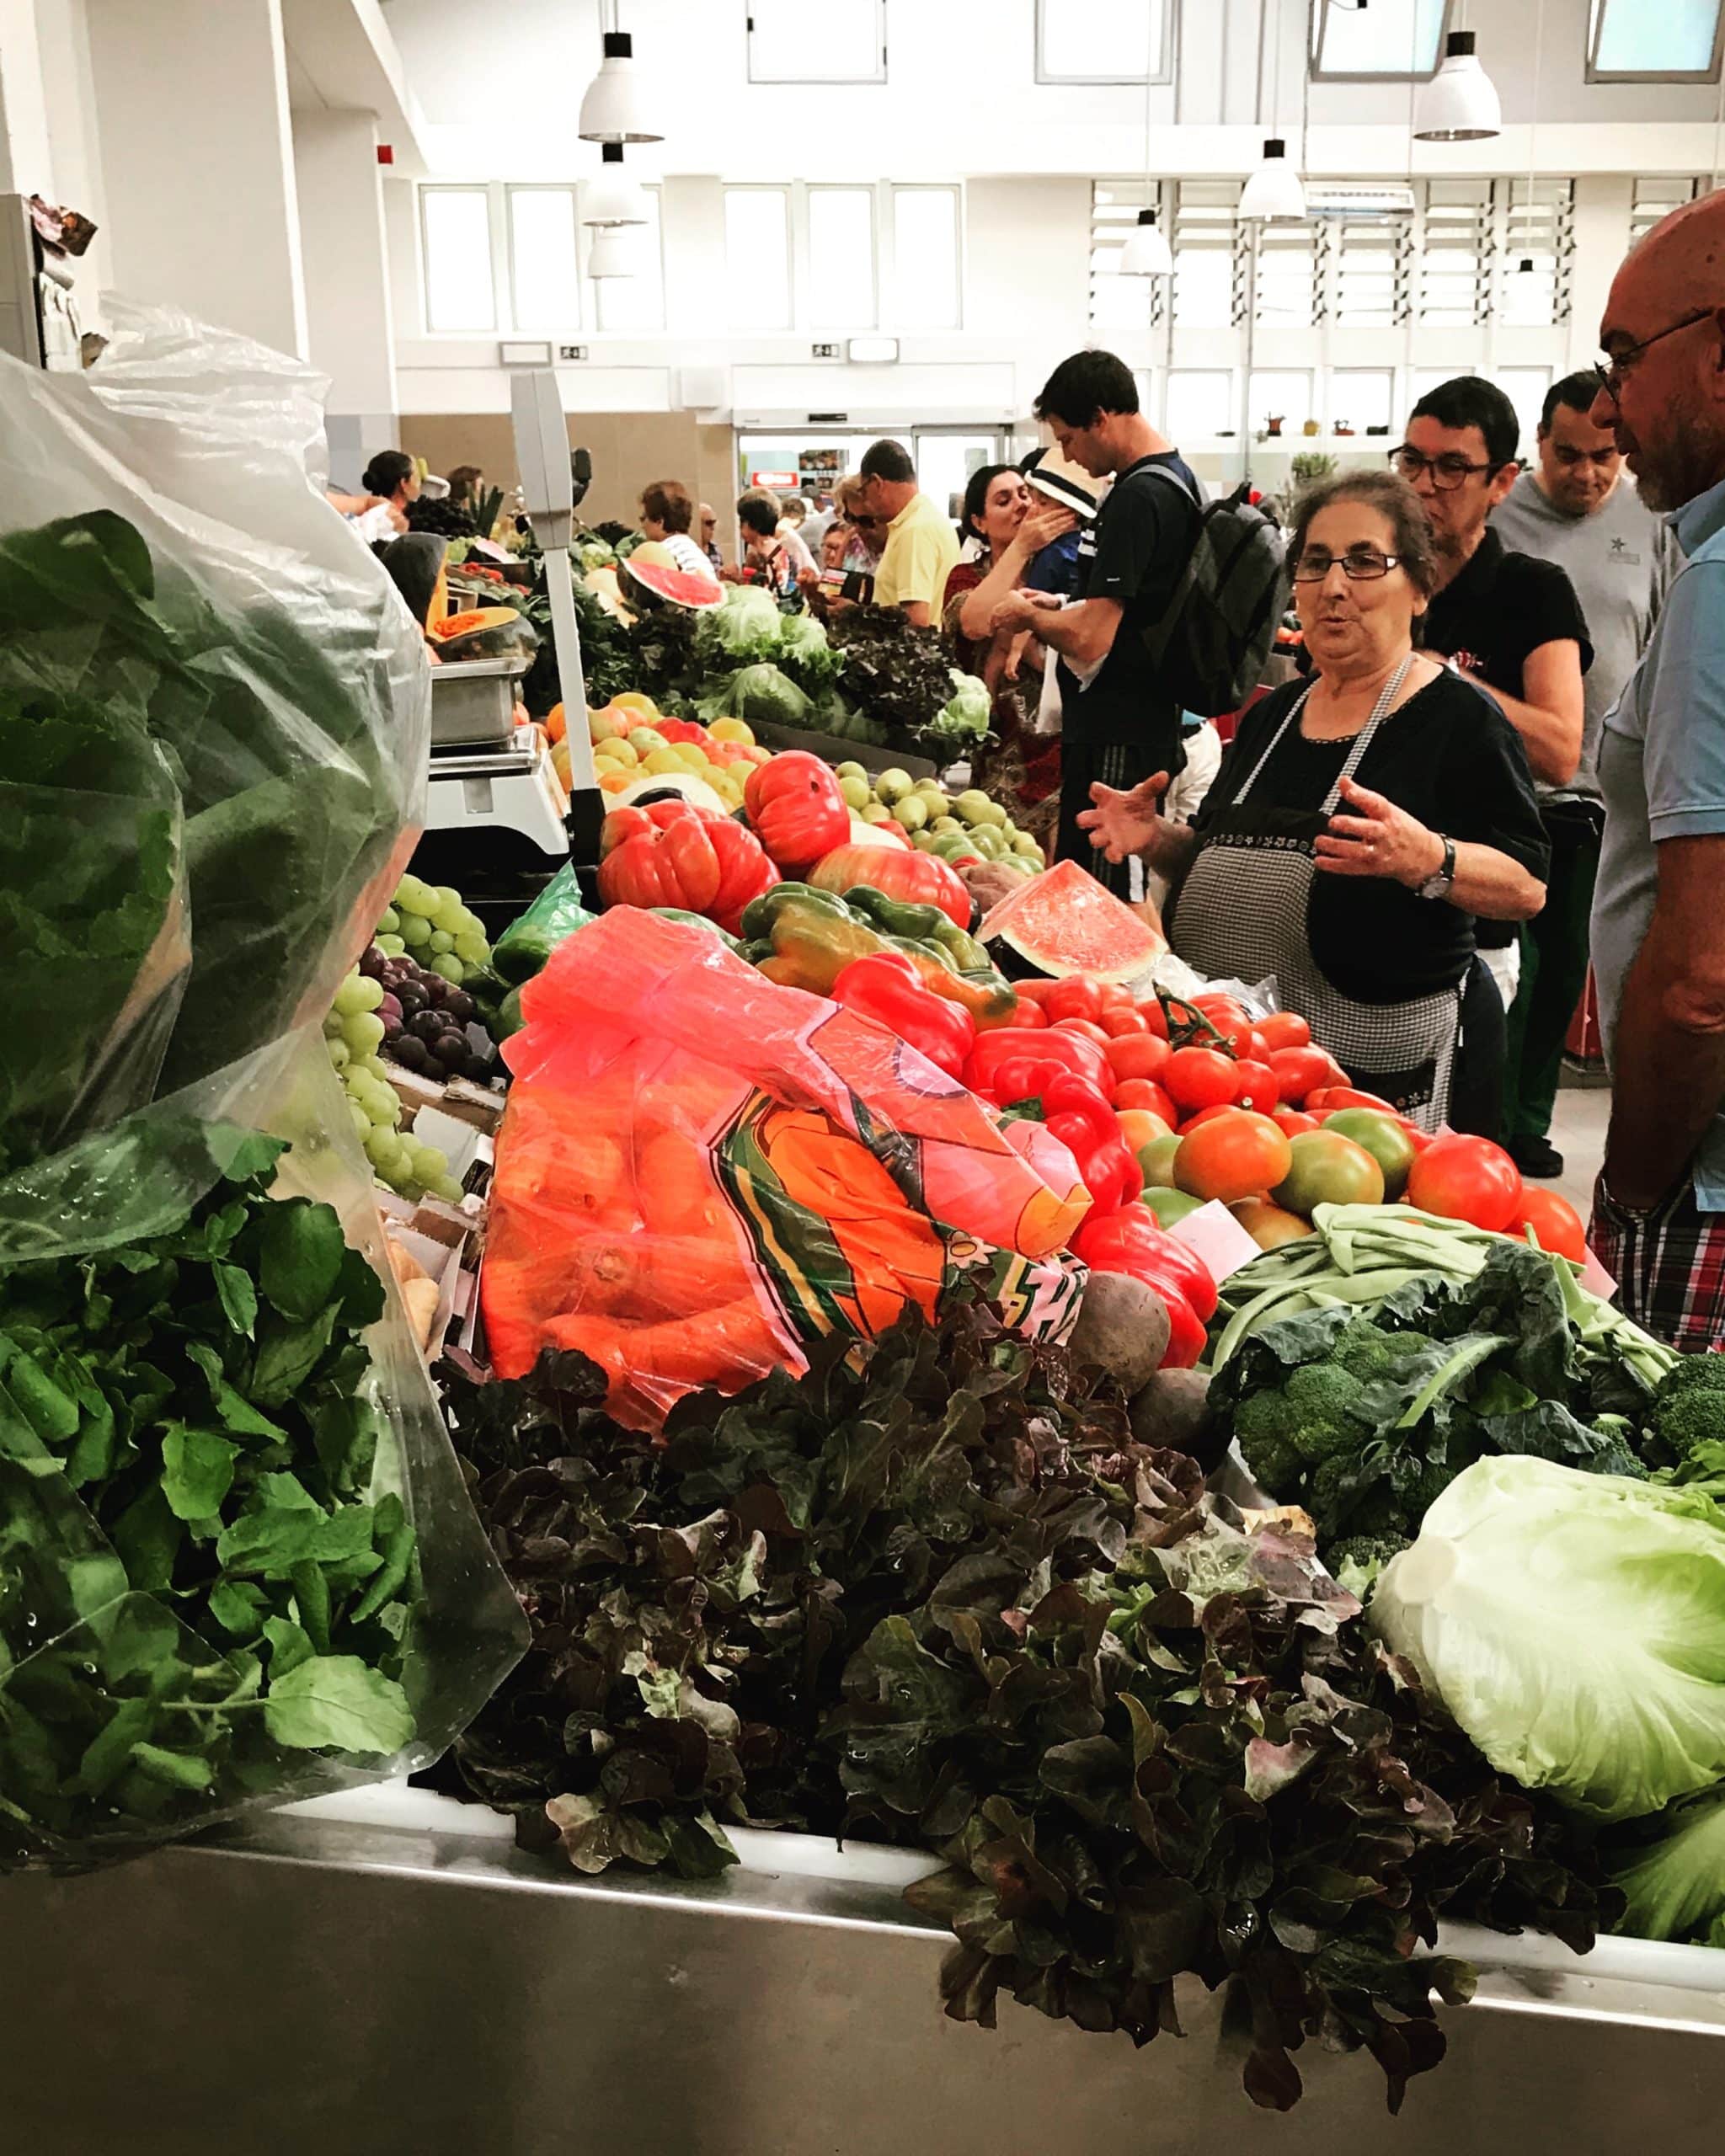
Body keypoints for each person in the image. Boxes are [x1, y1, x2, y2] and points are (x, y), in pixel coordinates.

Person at [1078, 472, 1547, 1129]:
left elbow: (1527, 886)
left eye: (1363, 562)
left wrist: (1428, 858)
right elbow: (1223, 861)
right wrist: (1158, 840)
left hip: (1374, 1095)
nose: (1333, 587)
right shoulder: (1273, 719)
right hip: (1236, 1076)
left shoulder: (1458, 718)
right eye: (1316, 563)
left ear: (1419, 587)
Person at [1585, 189, 1725, 1345]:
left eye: (1626, 360)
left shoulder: (1722, 588)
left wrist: (1632, 1190)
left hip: (1706, 1184)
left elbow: (1702, 980)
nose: (1608, 402)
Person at [1491, 371, 1682, 1177]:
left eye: (1604, 457)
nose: (1588, 473)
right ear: (1539, 444)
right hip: (1506, 782)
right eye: (1569, 455)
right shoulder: (1502, 521)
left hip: (1603, 794)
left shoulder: (1652, 519)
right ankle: (1486, 1119)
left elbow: (1671, 632)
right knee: (1507, 972)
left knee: (1567, 964)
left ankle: (1529, 1120)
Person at [1391, 376, 1591, 1135]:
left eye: (1451, 468)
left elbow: (1560, 749)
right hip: (1366, 905)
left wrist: (1449, 681)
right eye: (1413, 461)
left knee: (1458, 1148)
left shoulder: (1531, 593)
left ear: (1503, 481)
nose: (1424, 485)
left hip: (1472, 921)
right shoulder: (1383, 583)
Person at [987, 350, 1203, 903]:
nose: (1069, 456)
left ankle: (1111, 994)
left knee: (1108, 894)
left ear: (1101, 418)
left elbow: (1095, 637)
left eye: (1069, 439)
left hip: (1121, 734)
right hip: (1131, 722)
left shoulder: (1140, 495)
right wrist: (1057, 602)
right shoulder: (1171, 481)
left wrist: (1028, 615)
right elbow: (1126, 612)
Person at [854, 438, 959, 627]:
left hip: (913, 655)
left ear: (877, 483)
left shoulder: (914, 531)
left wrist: (854, 615)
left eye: (864, 492)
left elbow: (916, 621)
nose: (865, 504)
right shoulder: (925, 518)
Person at [638, 478, 720, 583]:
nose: (642, 526)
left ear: (659, 521)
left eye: (643, 518)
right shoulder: (696, 552)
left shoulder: (661, 553)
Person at [724, 488, 798, 597]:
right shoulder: (769, 547)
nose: (739, 526)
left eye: (742, 521)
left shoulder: (762, 553)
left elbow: (760, 590)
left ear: (755, 523)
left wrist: (736, 578)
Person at [699, 501, 723, 573]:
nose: (713, 528)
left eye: (714, 523)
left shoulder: (716, 550)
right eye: (709, 523)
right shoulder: (689, 550)